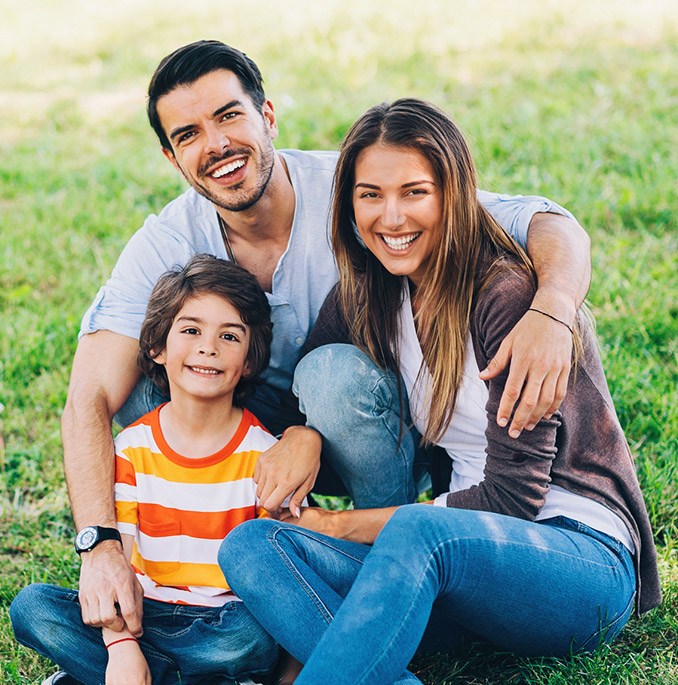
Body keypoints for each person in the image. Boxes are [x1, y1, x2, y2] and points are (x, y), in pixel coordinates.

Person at [63, 39, 591, 640]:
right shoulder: (164, 241)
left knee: (334, 374)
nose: (215, 146)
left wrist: (552, 310)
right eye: (188, 135)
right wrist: (99, 545)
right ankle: (193, 585)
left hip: (391, 427)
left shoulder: (354, 192)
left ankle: (380, 578)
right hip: (259, 439)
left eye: (229, 116)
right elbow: (88, 400)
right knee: (144, 391)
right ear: (171, 156)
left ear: (267, 116)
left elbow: (547, 222)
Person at [219, 99, 661, 684]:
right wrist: (302, 433)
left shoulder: (502, 293)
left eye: (415, 192)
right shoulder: (368, 293)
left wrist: (342, 525)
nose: (392, 217)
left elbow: (512, 501)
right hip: (452, 568)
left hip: (574, 560)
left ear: (453, 194)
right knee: (253, 546)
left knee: (416, 531)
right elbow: (306, 384)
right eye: (370, 194)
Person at [11, 255, 282, 685]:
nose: (208, 347)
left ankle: (115, 676)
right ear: (157, 347)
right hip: (140, 614)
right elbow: (118, 559)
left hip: (223, 621)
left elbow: (275, 578)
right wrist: (120, 648)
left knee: (253, 638)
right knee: (33, 609)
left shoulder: (266, 454)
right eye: (191, 330)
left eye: (229, 336)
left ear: (250, 359)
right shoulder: (133, 448)